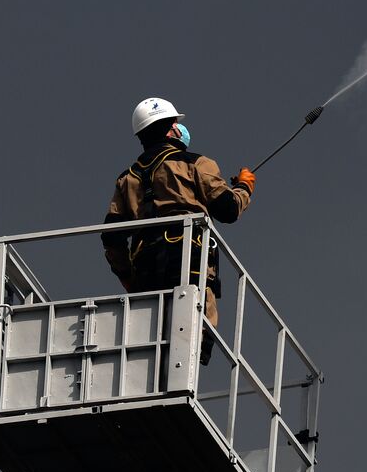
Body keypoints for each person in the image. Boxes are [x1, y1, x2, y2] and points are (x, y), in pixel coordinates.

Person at [102, 97, 256, 363]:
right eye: (175, 123)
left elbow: (112, 236)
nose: (178, 128)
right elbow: (228, 209)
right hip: (189, 270)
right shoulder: (196, 164)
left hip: (145, 276)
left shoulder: (127, 179)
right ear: (170, 130)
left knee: (150, 348)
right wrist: (244, 188)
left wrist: (127, 277)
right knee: (190, 344)